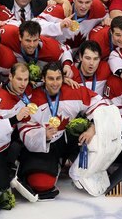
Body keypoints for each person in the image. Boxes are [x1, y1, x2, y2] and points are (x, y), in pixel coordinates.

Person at [17, 62, 108, 200]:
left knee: (96, 131)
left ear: (63, 78)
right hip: (45, 145)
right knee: (40, 184)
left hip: (68, 139)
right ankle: (57, 162)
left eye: (58, 78)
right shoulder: (31, 98)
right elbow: (24, 128)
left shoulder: (74, 90)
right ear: (43, 79)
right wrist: (43, 136)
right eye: (51, 79)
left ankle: (73, 160)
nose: (55, 83)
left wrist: (93, 127)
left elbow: (102, 105)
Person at [0, 63, 32, 207]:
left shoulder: (22, 93)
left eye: (26, 79)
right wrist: (14, 119)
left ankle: (7, 169)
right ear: (10, 77)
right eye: (19, 79)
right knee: (0, 195)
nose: (23, 84)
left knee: (20, 145)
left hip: (5, 147)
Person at [33, 0, 106, 51]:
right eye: (80, 2)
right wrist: (59, 26)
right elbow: (34, 25)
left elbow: (108, 18)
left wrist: (107, 20)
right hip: (52, 56)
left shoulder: (98, 9)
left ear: (92, 1)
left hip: (76, 59)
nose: (83, 6)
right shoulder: (59, 9)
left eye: (87, 2)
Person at [0, 21, 74, 79]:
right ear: (20, 37)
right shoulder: (7, 33)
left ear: (39, 37)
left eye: (35, 40)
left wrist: (67, 65)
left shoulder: (50, 47)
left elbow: (65, 49)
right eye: (27, 40)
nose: (32, 45)